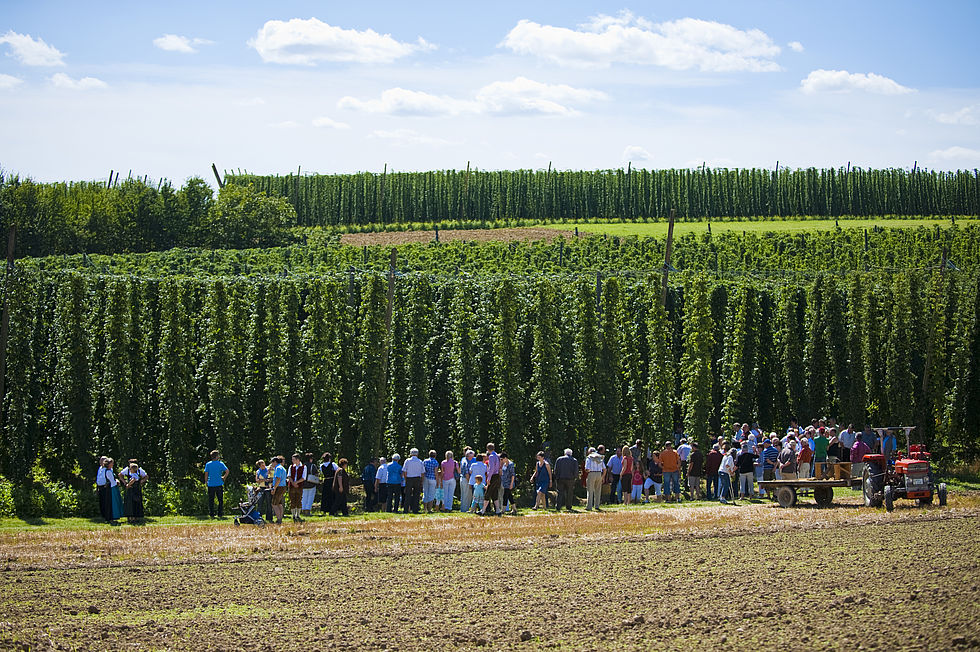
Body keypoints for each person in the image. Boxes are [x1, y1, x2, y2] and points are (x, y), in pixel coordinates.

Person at [204, 450, 229, 518]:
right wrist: (224, 477)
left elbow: (206, 474)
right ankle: (220, 513)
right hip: (219, 483)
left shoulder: (208, 464)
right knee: (220, 500)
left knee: (211, 500)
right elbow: (227, 471)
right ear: (217, 456)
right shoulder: (220, 464)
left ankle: (211, 513)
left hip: (211, 484)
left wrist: (206, 482)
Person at [402, 448, 424, 514]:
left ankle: (406, 509)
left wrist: (406, 479)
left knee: (407, 494)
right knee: (416, 495)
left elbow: (404, 471)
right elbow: (422, 472)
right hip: (417, 478)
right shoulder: (420, 461)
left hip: (409, 478)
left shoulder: (407, 461)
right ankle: (415, 509)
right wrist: (421, 481)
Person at [287, 453, 307, 522]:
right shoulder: (291, 467)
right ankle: (293, 515)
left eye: (293, 459)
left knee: (298, 500)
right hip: (292, 486)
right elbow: (289, 476)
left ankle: (298, 514)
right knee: (292, 500)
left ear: (297, 460)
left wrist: (297, 482)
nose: (292, 461)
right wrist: (293, 483)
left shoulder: (304, 467)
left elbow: (303, 477)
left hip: (299, 486)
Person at [484, 443, 503, 516]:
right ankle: (497, 510)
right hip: (497, 475)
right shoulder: (497, 456)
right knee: (495, 493)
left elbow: (491, 468)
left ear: (487, 449)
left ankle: (483, 510)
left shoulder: (491, 456)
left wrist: (488, 478)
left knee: (487, 493)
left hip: (492, 476)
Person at [95, 456, 115, 523]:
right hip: (100, 486)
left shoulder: (107, 469)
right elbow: (98, 478)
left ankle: (108, 516)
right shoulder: (100, 468)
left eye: (102, 460)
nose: (100, 462)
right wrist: (97, 487)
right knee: (102, 502)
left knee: (107, 502)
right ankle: (103, 515)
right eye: (100, 460)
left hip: (105, 487)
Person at [270, 456, 287, 524]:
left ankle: (279, 519)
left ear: (275, 462)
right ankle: (280, 518)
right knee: (279, 503)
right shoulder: (282, 468)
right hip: (282, 486)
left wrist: (274, 488)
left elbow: (278, 479)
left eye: (272, 463)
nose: (272, 464)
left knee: (274, 503)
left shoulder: (278, 468)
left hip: (279, 487)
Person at [302, 452, 319, 517]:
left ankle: (303, 510)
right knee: (310, 498)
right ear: (311, 459)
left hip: (304, 484)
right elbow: (316, 474)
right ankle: (308, 510)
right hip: (311, 483)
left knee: (304, 497)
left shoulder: (303, 466)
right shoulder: (313, 466)